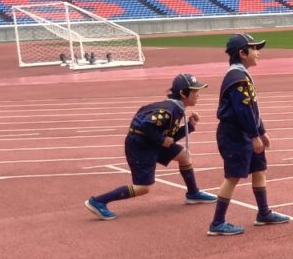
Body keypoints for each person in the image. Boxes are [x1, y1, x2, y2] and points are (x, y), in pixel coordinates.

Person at [85, 73, 217, 220]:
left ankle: (193, 193)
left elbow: (169, 138)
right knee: (143, 188)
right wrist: (161, 140)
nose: (198, 95)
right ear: (183, 93)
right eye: (195, 91)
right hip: (140, 146)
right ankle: (98, 201)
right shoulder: (168, 110)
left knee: (184, 156)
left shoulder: (176, 108)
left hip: (151, 142)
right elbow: (144, 125)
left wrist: (189, 126)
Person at [208, 33, 290, 236]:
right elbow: (242, 110)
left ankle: (264, 213)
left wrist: (262, 131)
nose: (257, 53)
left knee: (259, 169)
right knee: (233, 176)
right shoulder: (237, 78)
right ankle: (217, 222)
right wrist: (254, 136)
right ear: (242, 53)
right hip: (235, 134)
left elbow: (252, 108)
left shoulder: (242, 74)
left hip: (246, 132)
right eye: (254, 49)